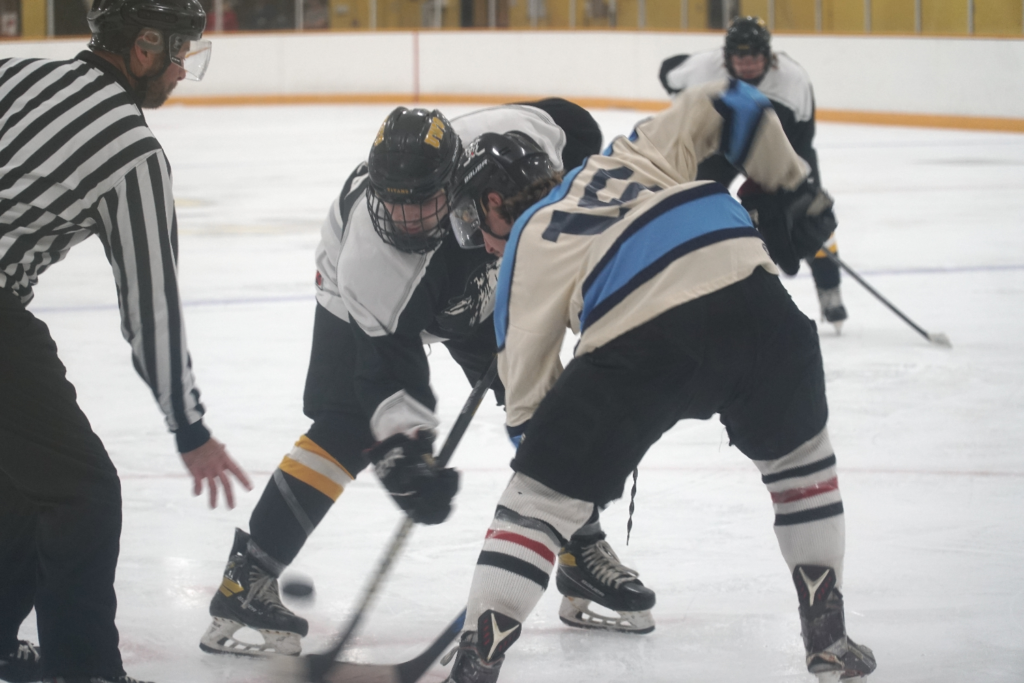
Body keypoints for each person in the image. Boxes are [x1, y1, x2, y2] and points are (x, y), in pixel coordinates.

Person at [437, 77, 876, 682]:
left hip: (644, 337)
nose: (477, 241)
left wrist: (571, 473)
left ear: (491, 202)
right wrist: (794, 186)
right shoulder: (631, 151)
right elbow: (734, 102)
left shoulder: (529, 241)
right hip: (757, 299)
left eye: (470, 216)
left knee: (533, 501)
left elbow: (526, 410)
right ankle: (829, 636)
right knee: (801, 464)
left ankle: (474, 665)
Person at [198, 99, 657, 659]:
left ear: (459, 179)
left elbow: (574, 126)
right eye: (395, 203)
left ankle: (579, 549)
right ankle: (250, 576)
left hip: (473, 266)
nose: (406, 219)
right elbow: (388, 374)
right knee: (346, 422)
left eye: (422, 203)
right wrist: (407, 456)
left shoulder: (512, 151)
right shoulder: (374, 261)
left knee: (541, 400)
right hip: (366, 301)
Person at [0, 2, 251, 683]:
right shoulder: (132, 151)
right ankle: (84, 672)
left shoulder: (15, 76)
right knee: (83, 494)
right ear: (142, 46)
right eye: (178, 54)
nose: (180, 71)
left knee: (28, 489)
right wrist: (189, 425)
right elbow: (151, 310)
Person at [658, 15, 848, 332]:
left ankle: (830, 289)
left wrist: (794, 191)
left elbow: (802, 138)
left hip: (777, 145)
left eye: (755, 58)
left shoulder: (792, 80)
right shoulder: (705, 67)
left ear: (769, 56)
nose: (747, 65)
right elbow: (669, 72)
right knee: (692, 204)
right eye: (739, 58)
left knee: (810, 211)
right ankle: (693, 288)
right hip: (720, 146)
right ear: (726, 57)